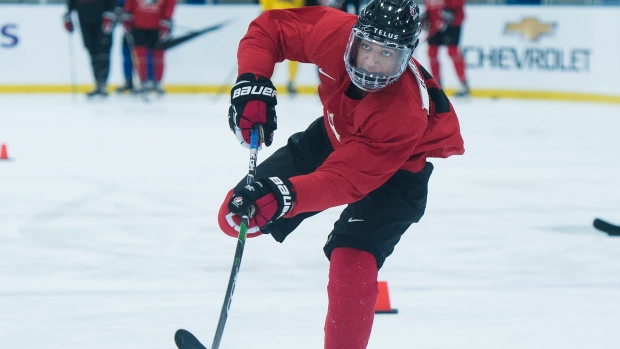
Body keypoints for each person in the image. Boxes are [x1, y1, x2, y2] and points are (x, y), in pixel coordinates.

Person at [218, 0, 464, 348]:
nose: (373, 62)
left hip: (398, 169)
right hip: (334, 133)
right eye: (367, 47)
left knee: (351, 261)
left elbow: (344, 180)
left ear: (406, 57)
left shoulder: (402, 114)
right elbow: (270, 28)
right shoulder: (334, 33)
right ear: (354, 39)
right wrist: (252, 81)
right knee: (233, 215)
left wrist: (284, 195)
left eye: (387, 54)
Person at [63, 0, 115, 98]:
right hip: (84, 17)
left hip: (102, 16)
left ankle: (102, 83)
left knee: (103, 50)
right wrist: (68, 14)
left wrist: (110, 11)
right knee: (91, 50)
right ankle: (97, 83)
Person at [123, 0, 176, 95]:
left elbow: (170, 2)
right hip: (138, 25)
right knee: (140, 55)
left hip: (158, 25)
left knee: (158, 55)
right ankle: (143, 82)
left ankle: (157, 83)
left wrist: (167, 18)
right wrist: (128, 14)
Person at [422, 0, 469, 97]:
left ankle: (463, 85)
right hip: (434, 21)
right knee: (432, 52)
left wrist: (450, 8)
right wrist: (427, 14)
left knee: (453, 51)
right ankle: (437, 85)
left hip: (452, 21)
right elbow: (429, 3)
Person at [259, 0, 305, 94]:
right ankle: (266, 79)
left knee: (293, 54)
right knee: (272, 53)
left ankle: (290, 81)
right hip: (277, 22)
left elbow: (299, 6)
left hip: (289, 23)